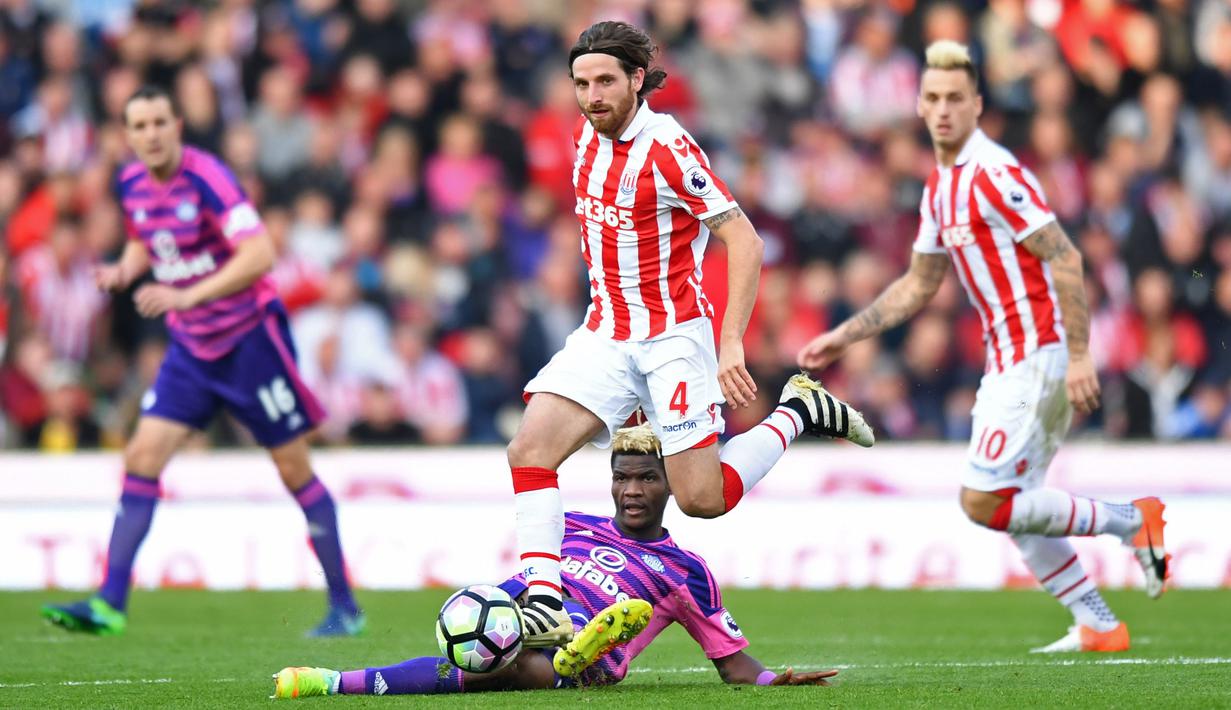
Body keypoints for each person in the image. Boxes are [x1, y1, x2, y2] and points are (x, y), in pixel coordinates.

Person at [507, 20, 875, 649]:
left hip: (672, 338)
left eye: (605, 82)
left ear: (638, 80)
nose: (592, 95)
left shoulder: (668, 148)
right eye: (581, 83)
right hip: (606, 331)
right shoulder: (584, 137)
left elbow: (745, 241)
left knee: (702, 499)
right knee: (528, 453)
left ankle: (798, 411)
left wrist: (730, 343)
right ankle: (545, 601)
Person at [796, 41, 1168, 653]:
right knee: (1016, 507)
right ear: (918, 105)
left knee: (986, 500)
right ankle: (1100, 623)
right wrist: (846, 333)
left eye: (955, 99)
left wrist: (1078, 355)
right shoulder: (940, 187)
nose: (943, 110)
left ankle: (1132, 521)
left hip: (1038, 355)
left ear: (977, 105)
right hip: (1008, 360)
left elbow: (1066, 256)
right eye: (933, 98)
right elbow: (920, 283)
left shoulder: (995, 173)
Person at [40, 86, 364, 637]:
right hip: (191, 350)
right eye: (139, 126)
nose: (151, 134)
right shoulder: (131, 183)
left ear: (178, 124)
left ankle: (345, 607)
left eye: (159, 122)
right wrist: (124, 268)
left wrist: (189, 295)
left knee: (292, 468)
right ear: (128, 135)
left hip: (249, 344)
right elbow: (150, 239)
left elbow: (259, 254)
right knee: (141, 455)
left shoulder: (207, 177)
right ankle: (109, 602)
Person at [271, 425, 840, 698]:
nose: (633, 490)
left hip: (591, 659)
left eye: (647, 479)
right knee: (496, 641)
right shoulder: (571, 527)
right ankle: (555, 650)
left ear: (671, 487)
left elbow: (732, 662)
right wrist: (488, 604)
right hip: (536, 623)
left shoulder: (685, 570)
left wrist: (773, 679)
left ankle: (333, 683)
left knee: (510, 666)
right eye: (622, 478)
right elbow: (522, 581)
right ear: (610, 483)